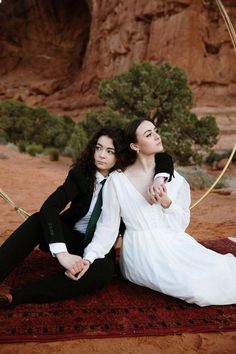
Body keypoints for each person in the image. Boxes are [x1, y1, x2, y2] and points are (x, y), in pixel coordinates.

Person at [0, 125, 174, 306]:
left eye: (110, 151)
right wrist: (62, 254)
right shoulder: (81, 174)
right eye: (98, 148)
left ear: (121, 154)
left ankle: (16, 296)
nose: (101, 155)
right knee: (37, 220)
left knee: (104, 272)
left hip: (101, 244)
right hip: (71, 239)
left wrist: (159, 178)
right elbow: (50, 207)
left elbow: (163, 156)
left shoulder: (126, 176)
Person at [77, 118, 236, 307]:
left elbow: (179, 225)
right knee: (196, 288)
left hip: (174, 242)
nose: (156, 136)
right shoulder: (117, 181)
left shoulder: (175, 179)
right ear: (135, 146)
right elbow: (108, 227)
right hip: (141, 252)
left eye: (155, 131)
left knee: (221, 268)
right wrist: (90, 256)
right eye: (148, 134)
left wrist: (167, 203)